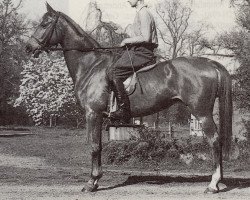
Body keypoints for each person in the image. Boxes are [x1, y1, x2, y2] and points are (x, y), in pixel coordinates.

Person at [107, 0, 158, 124]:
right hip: (138, 50)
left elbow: (146, 37)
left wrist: (126, 41)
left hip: (142, 52)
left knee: (114, 72)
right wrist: (123, 32)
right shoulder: (140, 13)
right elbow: (139, 34)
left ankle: (124, 110)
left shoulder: (144, 13)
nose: (127, 0)